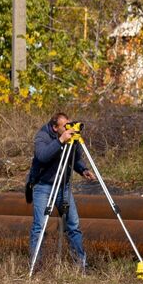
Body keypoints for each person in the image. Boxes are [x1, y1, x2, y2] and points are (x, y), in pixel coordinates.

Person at [26, 111, 96, 271]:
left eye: (69, 125)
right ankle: (35, 266)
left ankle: (81, 265)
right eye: (64, 126)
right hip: (43, 187)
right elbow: (42, 156)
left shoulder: (66, 136)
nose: (67, 128)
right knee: (40, 226)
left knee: (73, 225)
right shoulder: (42, 136)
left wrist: (83, 169)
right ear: (54, 127)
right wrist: (60, 141)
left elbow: (74, 157)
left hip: (63, 187)